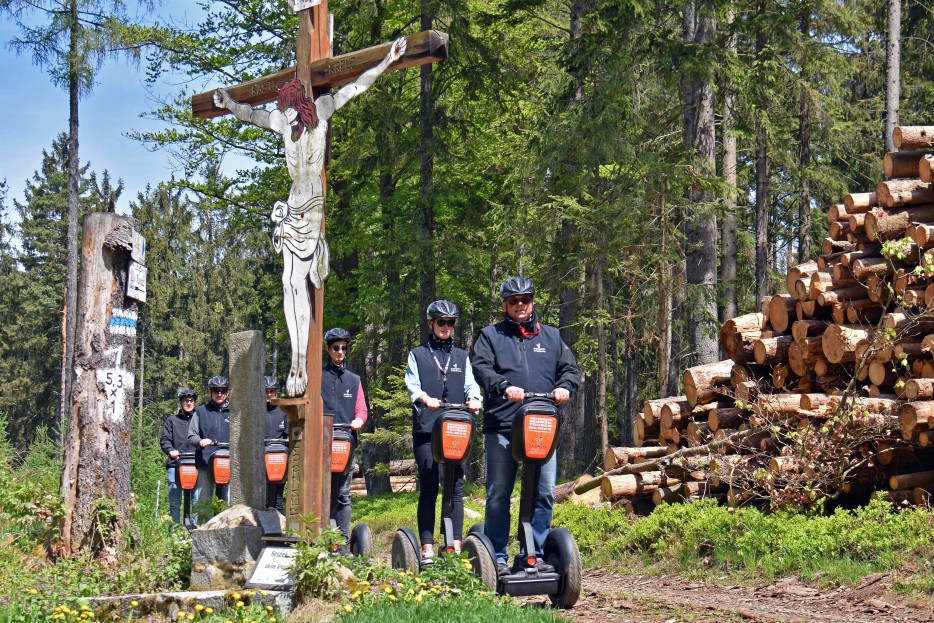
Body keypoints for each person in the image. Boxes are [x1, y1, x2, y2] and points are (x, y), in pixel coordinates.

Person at [214, 37, 408, 397]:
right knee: (289, 282)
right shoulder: (282, 124)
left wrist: (385, 60)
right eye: (283, 112)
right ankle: (296, 356)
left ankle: (302, 357)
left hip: (313, 208)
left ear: (300, 105)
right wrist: (229, 104)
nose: (286, 117)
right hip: (290, 207)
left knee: (300, 279)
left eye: (289, 110)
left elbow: (356, 87)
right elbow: (252, 115)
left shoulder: (322, 112)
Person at [470, 276, 580, 578]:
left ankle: (534, 554)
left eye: (525, 300)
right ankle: (498, 557)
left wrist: (566, 386)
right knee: (499, 493)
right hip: (503, 425)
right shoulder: (491, 336)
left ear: (532, 302)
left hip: (542, 426)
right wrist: (503, 386)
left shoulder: (551, 337)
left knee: (543, 492)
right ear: (505, 304)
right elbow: (481, 367)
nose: (520, 305)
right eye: (514, 301)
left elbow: (570, 369)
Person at [404, 300, 482, 565]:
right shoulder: (418, 354)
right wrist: (424, 398)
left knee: (455, 487)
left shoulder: (461, 356)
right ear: (431, 324)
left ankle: (455, 545)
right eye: (441, 322)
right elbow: (412, 384)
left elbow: (471, 384)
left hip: (457, 428)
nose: (446, 327)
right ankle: (427, 548)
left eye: (450, 323)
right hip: (428, 428)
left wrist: (474, 399)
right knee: (428, 487)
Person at [321, 328, 367, 552]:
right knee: (323, 492)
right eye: (336, 348)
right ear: (328, 349)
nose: (340, 352)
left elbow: (362, 410)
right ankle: (323, 539)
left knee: (343, 494)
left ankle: (342, 541)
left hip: (346, 443)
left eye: (343, 348)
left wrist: (358, 420)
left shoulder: (353, 380)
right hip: (322, 444)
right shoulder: (318, 377)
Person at [188, 375, 232, 511]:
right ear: (210, 392)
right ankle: (202, 529)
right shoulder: (201, 411)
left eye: (222, 391)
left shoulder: (235, 412)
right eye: (216, 390)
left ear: (227, 392)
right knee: (202, 502)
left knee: (228, 502)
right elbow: (191, 435)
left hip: (228, 462)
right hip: (205, 461)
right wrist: (200, 441)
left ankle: (226, 530)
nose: (219, 394)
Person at [160, 388, 198, 524]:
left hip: (195, 464)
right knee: (175, 501)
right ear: (181, 403)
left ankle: (194, 530)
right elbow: (165, 439)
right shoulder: (172, 421)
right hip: (176, 464)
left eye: (191, 401)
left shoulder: (199, 420)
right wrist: (170, 450)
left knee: (197, 501)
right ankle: (175, 531)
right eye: (186, 401)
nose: (189, 403)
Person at [264, 376, 289, 513]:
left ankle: (279, 523)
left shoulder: (283, 410)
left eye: (271, 391)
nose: (269, 394)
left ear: (276, 392)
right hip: (263, 457)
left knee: (279, 493)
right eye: (266, 392)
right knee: (266, 494)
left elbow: (288, 434)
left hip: (280, 457)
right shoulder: (257, 411)